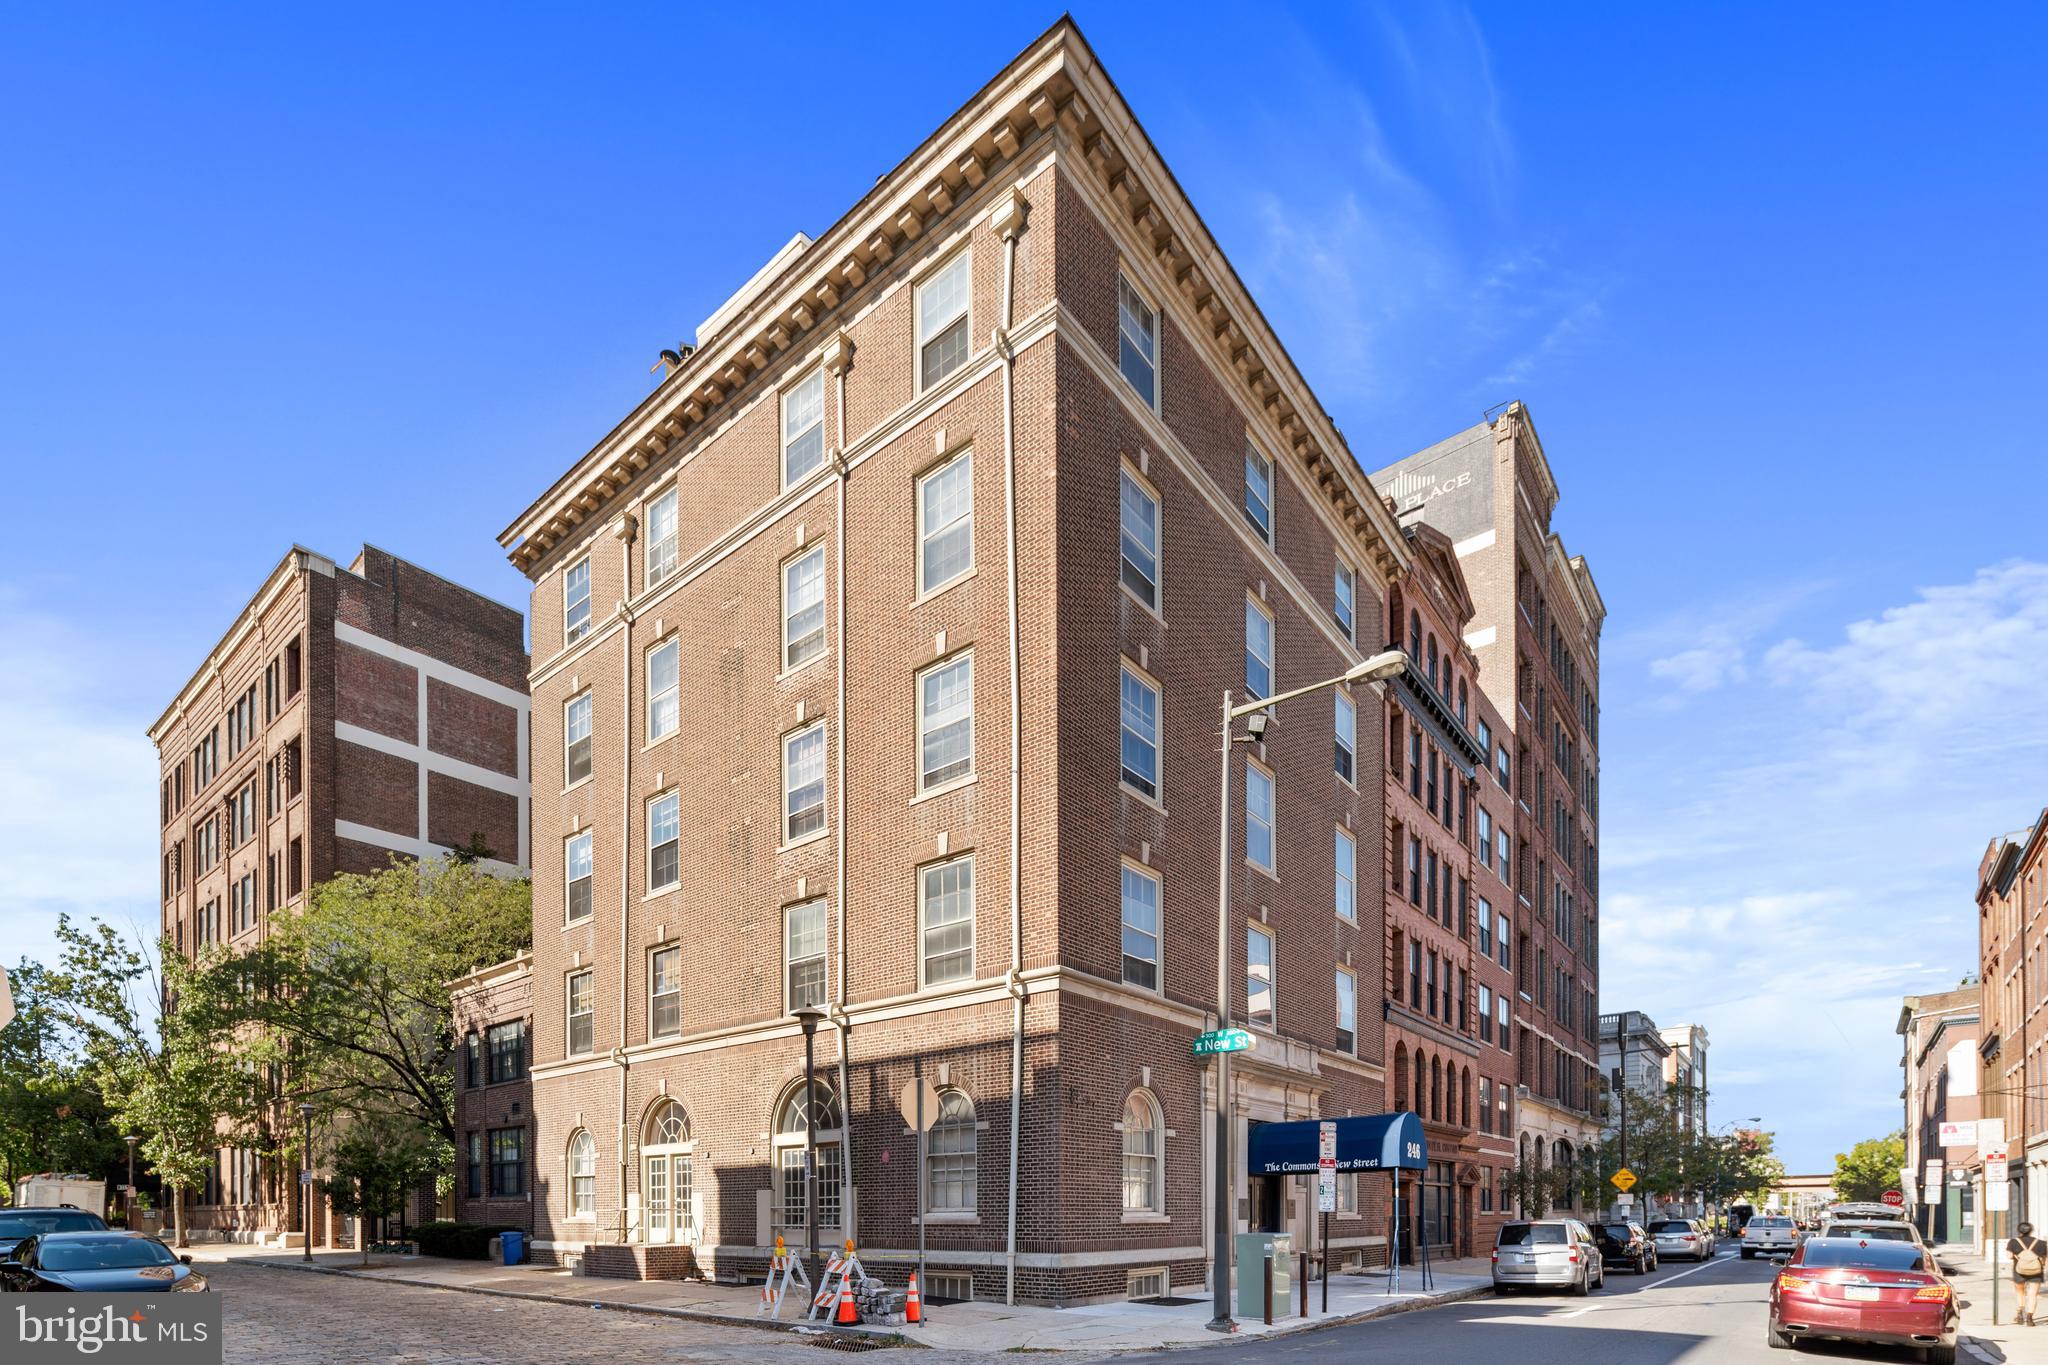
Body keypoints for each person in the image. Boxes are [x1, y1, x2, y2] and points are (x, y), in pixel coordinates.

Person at [2009, 1221, 2047, 1326]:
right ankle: (2030, 1318)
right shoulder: (2041, 1243)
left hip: (2019, 1271)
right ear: (2031, 1231)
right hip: (2036, 1271)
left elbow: (2008, 1255)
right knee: (2033, 1294)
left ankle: (2020, 1313)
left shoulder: (2013, 1242)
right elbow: (2045, 1259)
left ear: (2019, 1230)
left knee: (2020, 1292)